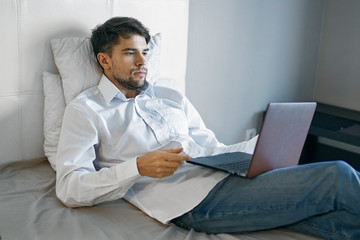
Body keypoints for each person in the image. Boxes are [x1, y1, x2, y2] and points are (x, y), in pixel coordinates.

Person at [55, 17, 360, 240]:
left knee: (343, 221)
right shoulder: (86, 110)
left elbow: (209, 146)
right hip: (192, 201)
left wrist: (254, 148)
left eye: (145, 52)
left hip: (223, 176)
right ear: (104, 60)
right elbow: (70, 188)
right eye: (130, 53)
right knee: (338, 175)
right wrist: (137, 167)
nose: (142, 61)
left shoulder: (170, 96)